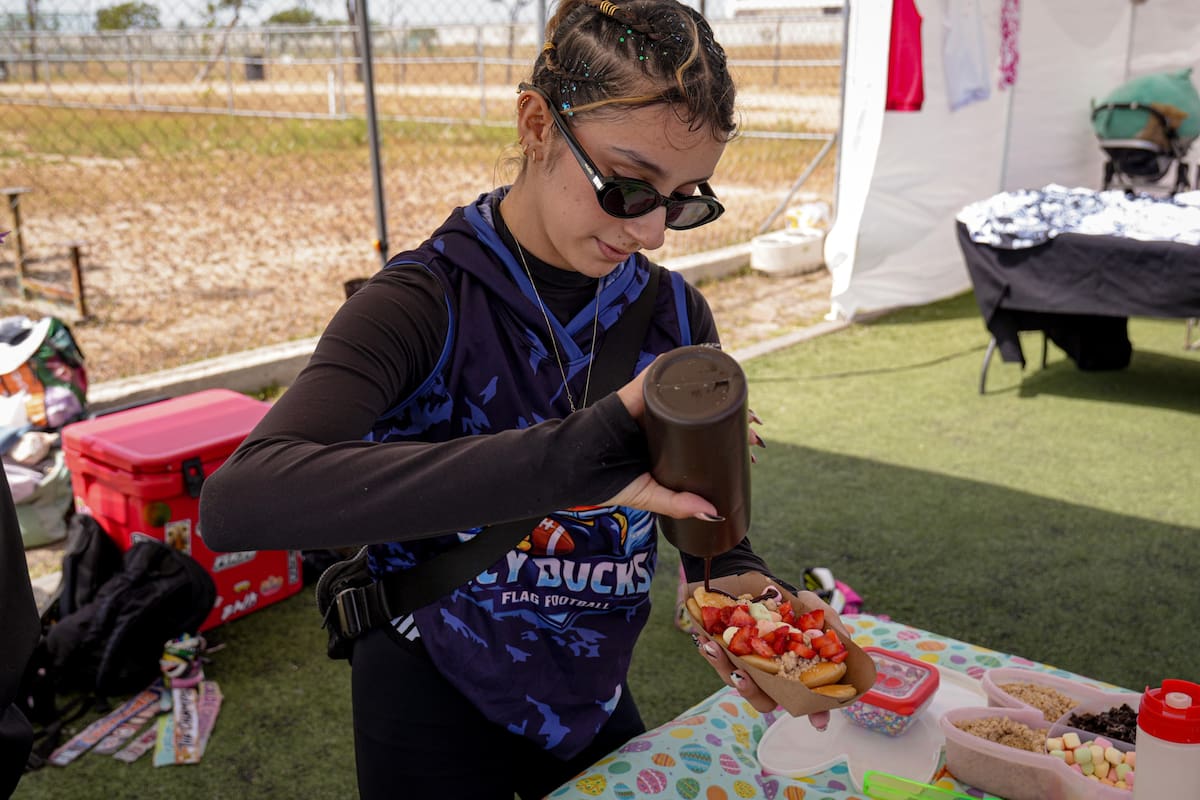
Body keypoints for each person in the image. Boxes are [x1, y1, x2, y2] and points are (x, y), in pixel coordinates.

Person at [199, 1, 839, 796]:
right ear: (537, 125)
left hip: (592, 686)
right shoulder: (421, 303)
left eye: (685, 200)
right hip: (430, 674)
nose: (653, 235)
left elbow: (702, 518)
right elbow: (240, 501)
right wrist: (580, 454)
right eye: (630, 186)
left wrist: (742, 596)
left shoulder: (676, 316)